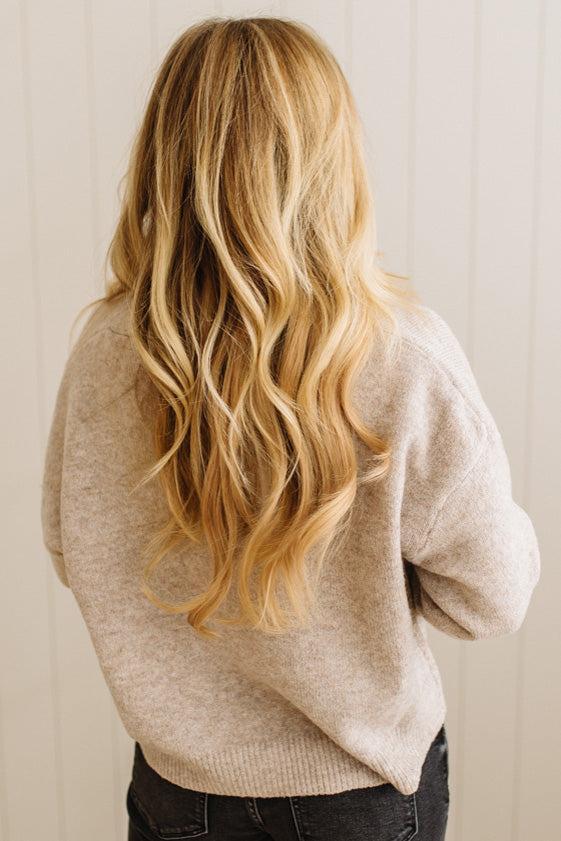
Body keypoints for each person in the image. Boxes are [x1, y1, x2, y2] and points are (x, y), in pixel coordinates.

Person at [40, 16, 541, 841]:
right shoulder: (401, 357)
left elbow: (72, 548)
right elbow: (492, 597)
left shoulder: (106, 349)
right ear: (332, 161)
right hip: (359, 796)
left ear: (166, 158)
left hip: (178, 794)